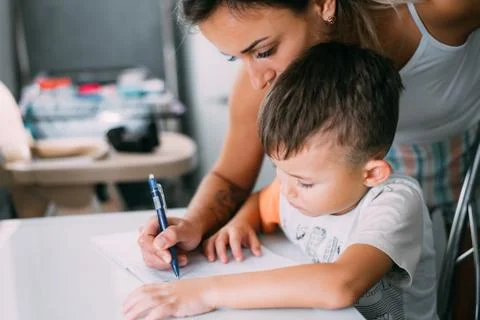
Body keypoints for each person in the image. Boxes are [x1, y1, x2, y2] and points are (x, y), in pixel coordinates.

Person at [137, 1, 479, 317]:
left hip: (462, 184)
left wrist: (208, 291)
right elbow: (234, 180)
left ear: (322, 3)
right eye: (234, 58)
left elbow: (340, 284)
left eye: (264, 50)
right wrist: (191, 225)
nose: (257, 80)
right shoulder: (270, 93)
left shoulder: (442, 11)